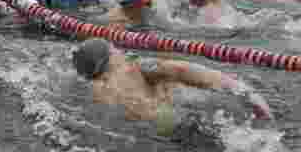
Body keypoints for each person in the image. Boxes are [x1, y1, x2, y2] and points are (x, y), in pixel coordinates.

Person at [71, 37, 273, 125]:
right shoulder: (135, 67)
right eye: (116, 49)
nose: (121, 52)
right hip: (171, 123)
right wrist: (241, 90)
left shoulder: (96, 89)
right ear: (110, 55)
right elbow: (181, 69)